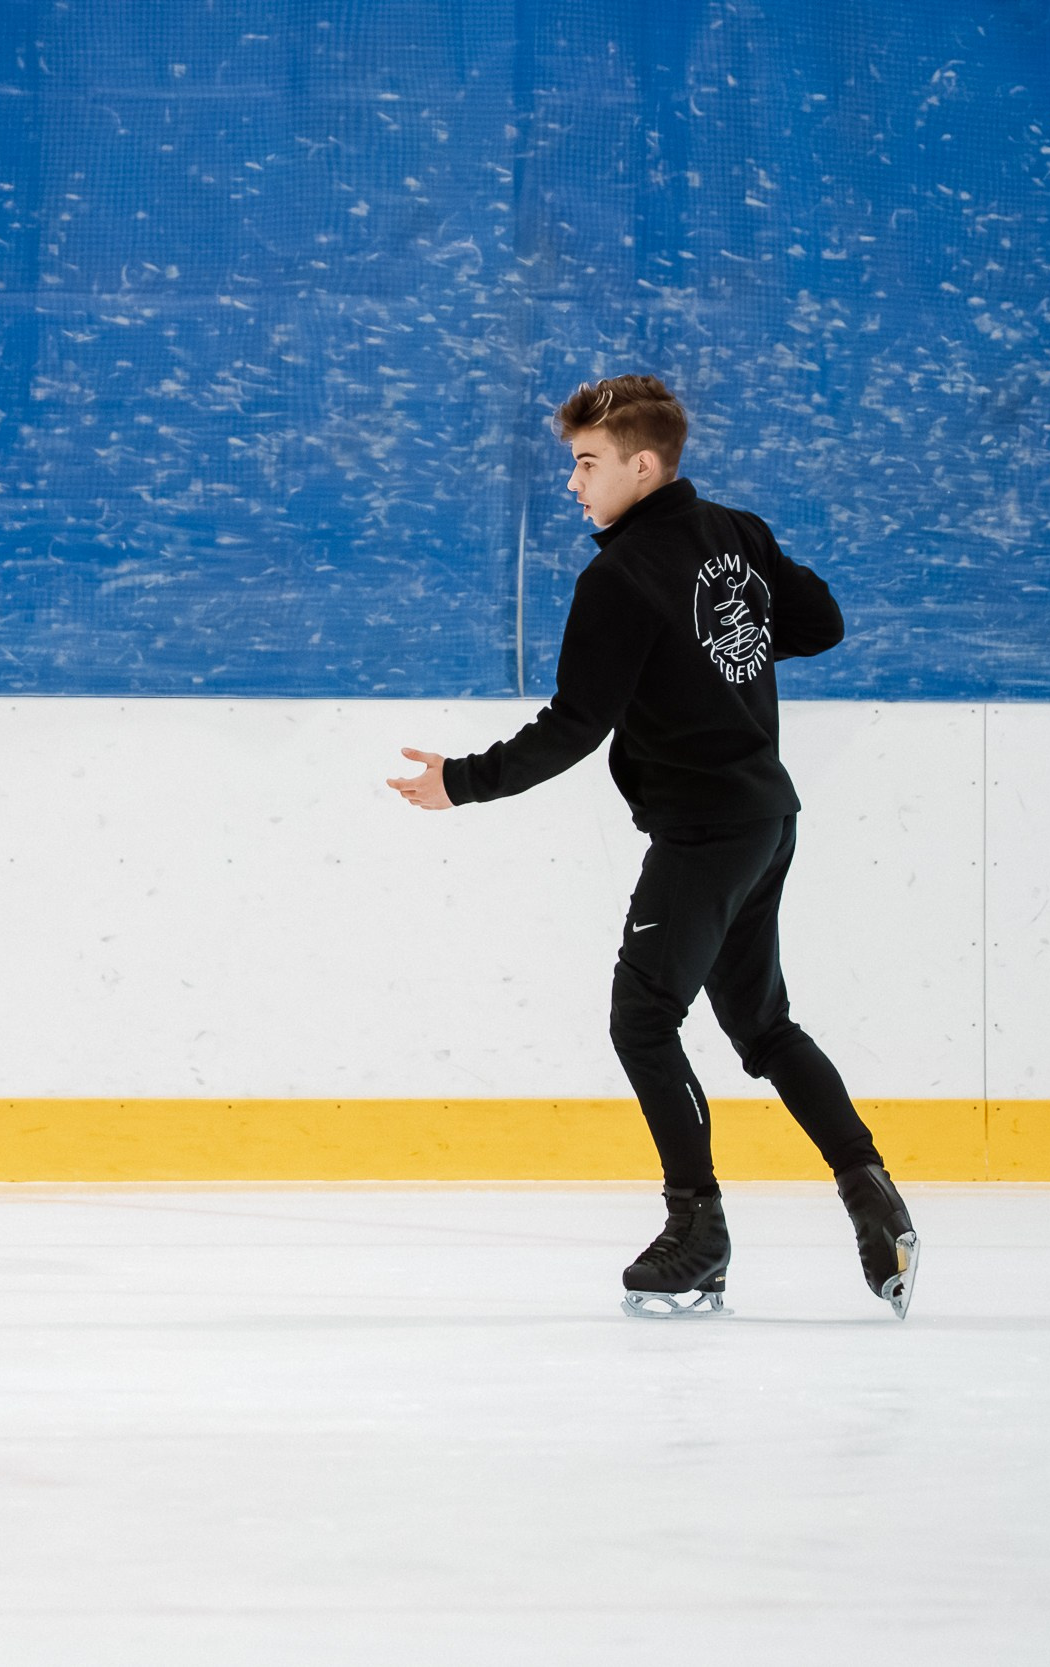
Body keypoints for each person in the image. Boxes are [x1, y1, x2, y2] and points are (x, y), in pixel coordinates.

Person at [386, 375, 919, 1320]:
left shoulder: (621, 576)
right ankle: (871, 1194)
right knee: (762, 1026)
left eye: (587, 463)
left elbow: (573, 725)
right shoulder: (737, 533)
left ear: (643, 464)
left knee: (642, 1018)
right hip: (765, 818)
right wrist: (715, 651)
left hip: (707, 829)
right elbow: (819, 621)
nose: (573, 484)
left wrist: (461, 781)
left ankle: (696, 1228)